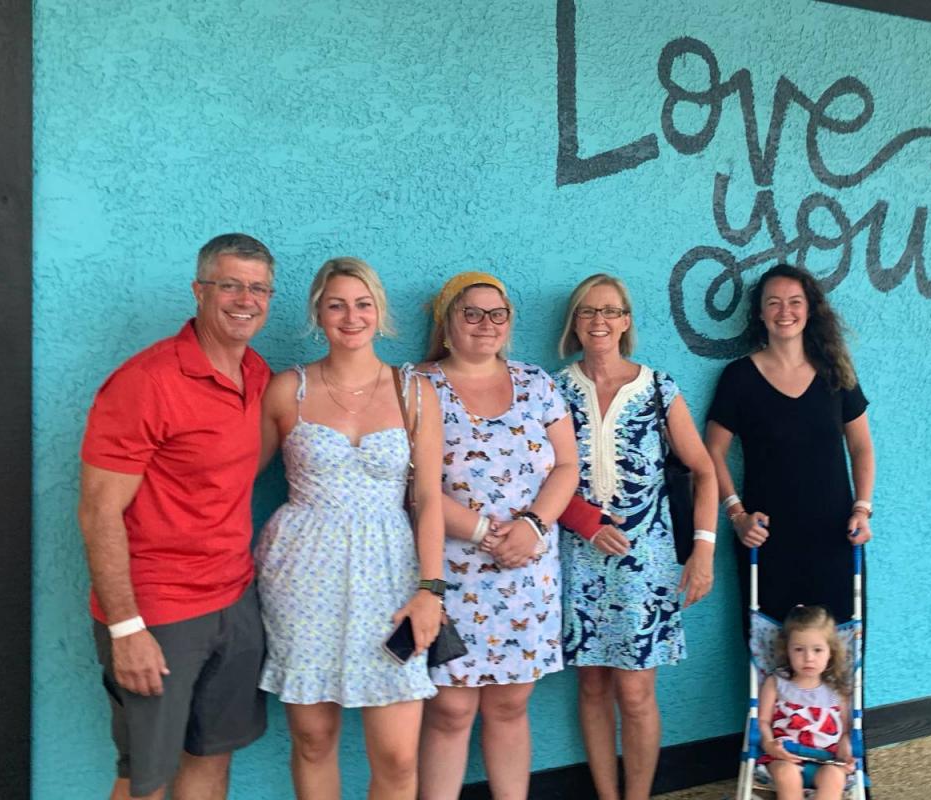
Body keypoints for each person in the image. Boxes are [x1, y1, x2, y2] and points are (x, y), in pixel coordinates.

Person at [78, 233, 276, 800]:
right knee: (145, 777)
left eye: (258, 288)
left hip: (234, 599)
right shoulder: (146, 382)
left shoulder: (256, 374)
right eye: (230, 285)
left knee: (210, 759)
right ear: (199, 291)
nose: (245, 299)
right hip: (159, 612)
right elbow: (98, 512)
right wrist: (125, 629)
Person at [255, 257, 446, 800]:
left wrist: (431, 588)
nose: (350, 315)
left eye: (362, 303)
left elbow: (429, 498)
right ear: (318, 312)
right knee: (313, 738)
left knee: (397, 754)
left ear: (379, 312)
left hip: (391, 573)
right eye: (336, 304)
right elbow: (236, 477)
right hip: (301, 574)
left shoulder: (414, 393)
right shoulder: (287, 389)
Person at [552, 273, 720, 800]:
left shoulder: (656, 388)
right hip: (579, 557)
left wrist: (703, 551)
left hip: (645, 564)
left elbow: (704, 470)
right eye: (587, 312)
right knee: (592, 685)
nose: (599, 321)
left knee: (636, 690)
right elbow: (541, 477)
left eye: (610, 311)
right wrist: (585, 519)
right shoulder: (553, 390)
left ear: (626, 321)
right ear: (574, 323)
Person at [415, 272, 578, 800]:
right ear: (447, 323)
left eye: (497, 314)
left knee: (510, 705)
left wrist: (532, 526)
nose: (486, 325)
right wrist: (486, 532)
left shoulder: (537, 383)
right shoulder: (416, 385)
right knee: (451, 708)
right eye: (471, 313)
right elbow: (408, 481)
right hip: (450, 569)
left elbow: (568, 466)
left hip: (527, 569)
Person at [705, 263, 875, 630]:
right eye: (774, 303)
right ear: (760, 313)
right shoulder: (739, 378)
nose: (785, 312)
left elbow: (861, 447)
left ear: (810, 309)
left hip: (836, 535)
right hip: (766, 539)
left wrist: (862, 509)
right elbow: (712, 452)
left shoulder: (836, 372)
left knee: (838, 658)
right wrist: (737, 517)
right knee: (771, 659)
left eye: (795, 302)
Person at [756, 605, 856, 800]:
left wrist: (845, 747)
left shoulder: (836, 690)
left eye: (818, 650)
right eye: (799, 649)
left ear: (830, 652)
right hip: (785, 757)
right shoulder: (777, 683)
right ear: (788, 650)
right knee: (787, 774)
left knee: (835, 777)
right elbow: (762, 721)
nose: (808, 658)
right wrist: (769, 744)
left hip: (825, 760)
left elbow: (845, 730)